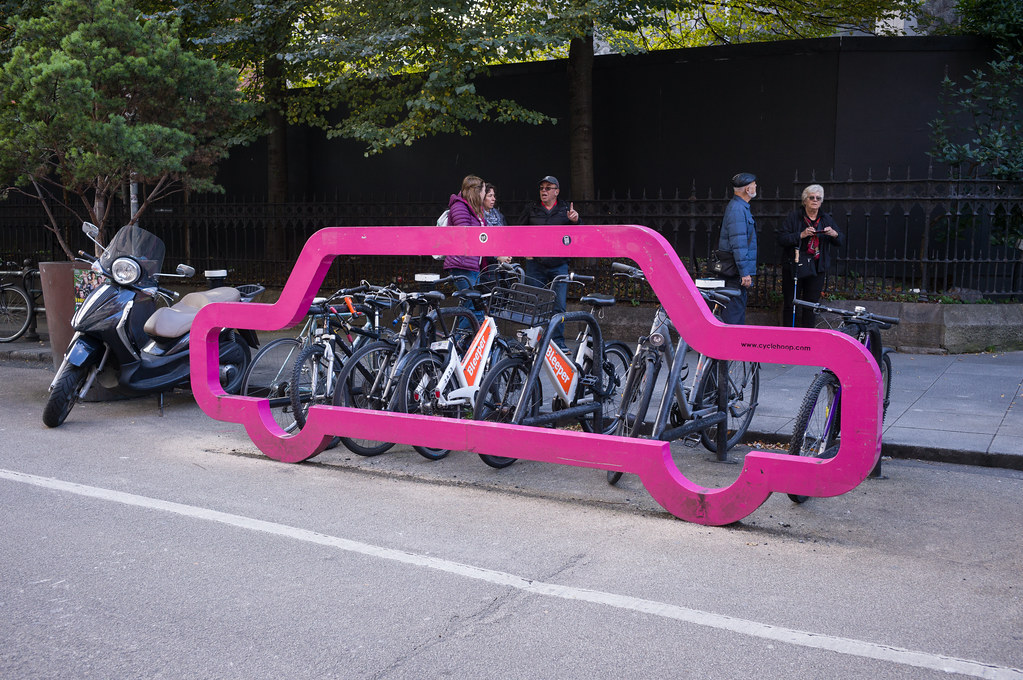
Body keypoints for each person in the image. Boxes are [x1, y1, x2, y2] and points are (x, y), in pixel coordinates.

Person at [518, 175, 580, 351]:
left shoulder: (565, 208)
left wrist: (575, 221)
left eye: (548, 188)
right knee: (533, 302)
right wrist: (525, 252)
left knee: (558, 305)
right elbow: (518, 232)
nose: (543, 191)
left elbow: (577, 236)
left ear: (556, 191)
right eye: (541, 188)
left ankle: (557, 343)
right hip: (535, 264)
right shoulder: (531, 208)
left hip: (558, 264)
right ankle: (531, 341)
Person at [776, 184, 844, 327]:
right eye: (811, 198)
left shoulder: (826, 218)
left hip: (816, 268)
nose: (815, 200)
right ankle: (788, 336)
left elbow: (841, 240)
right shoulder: (794, 217)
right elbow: (781, 239)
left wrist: (834, 234)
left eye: (818, 198)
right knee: (791, 302)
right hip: (795, 266)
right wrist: (801, 235)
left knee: (812, 305)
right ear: (805, 200)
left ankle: (808, 338)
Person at [442, 175, 491, 324]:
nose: (484, 195)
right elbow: (464, 235)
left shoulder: (473, 209)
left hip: (470, 263)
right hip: (461, 264)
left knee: (468, 307)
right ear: (476, 192)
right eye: (483, 191)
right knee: (473, 308)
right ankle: (461, 341)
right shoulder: (460, 207)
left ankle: (459, 343)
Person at [717, 172, 759, 325]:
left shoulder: (740, 207)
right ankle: (728, 348)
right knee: (733, 313)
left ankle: (731, 347)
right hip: (735, 272)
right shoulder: (737, 210)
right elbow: (739, 244)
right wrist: (745, 273)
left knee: (735, 310)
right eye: (754, 184)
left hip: (735, 270)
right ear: (748, 189)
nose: (756, 186)